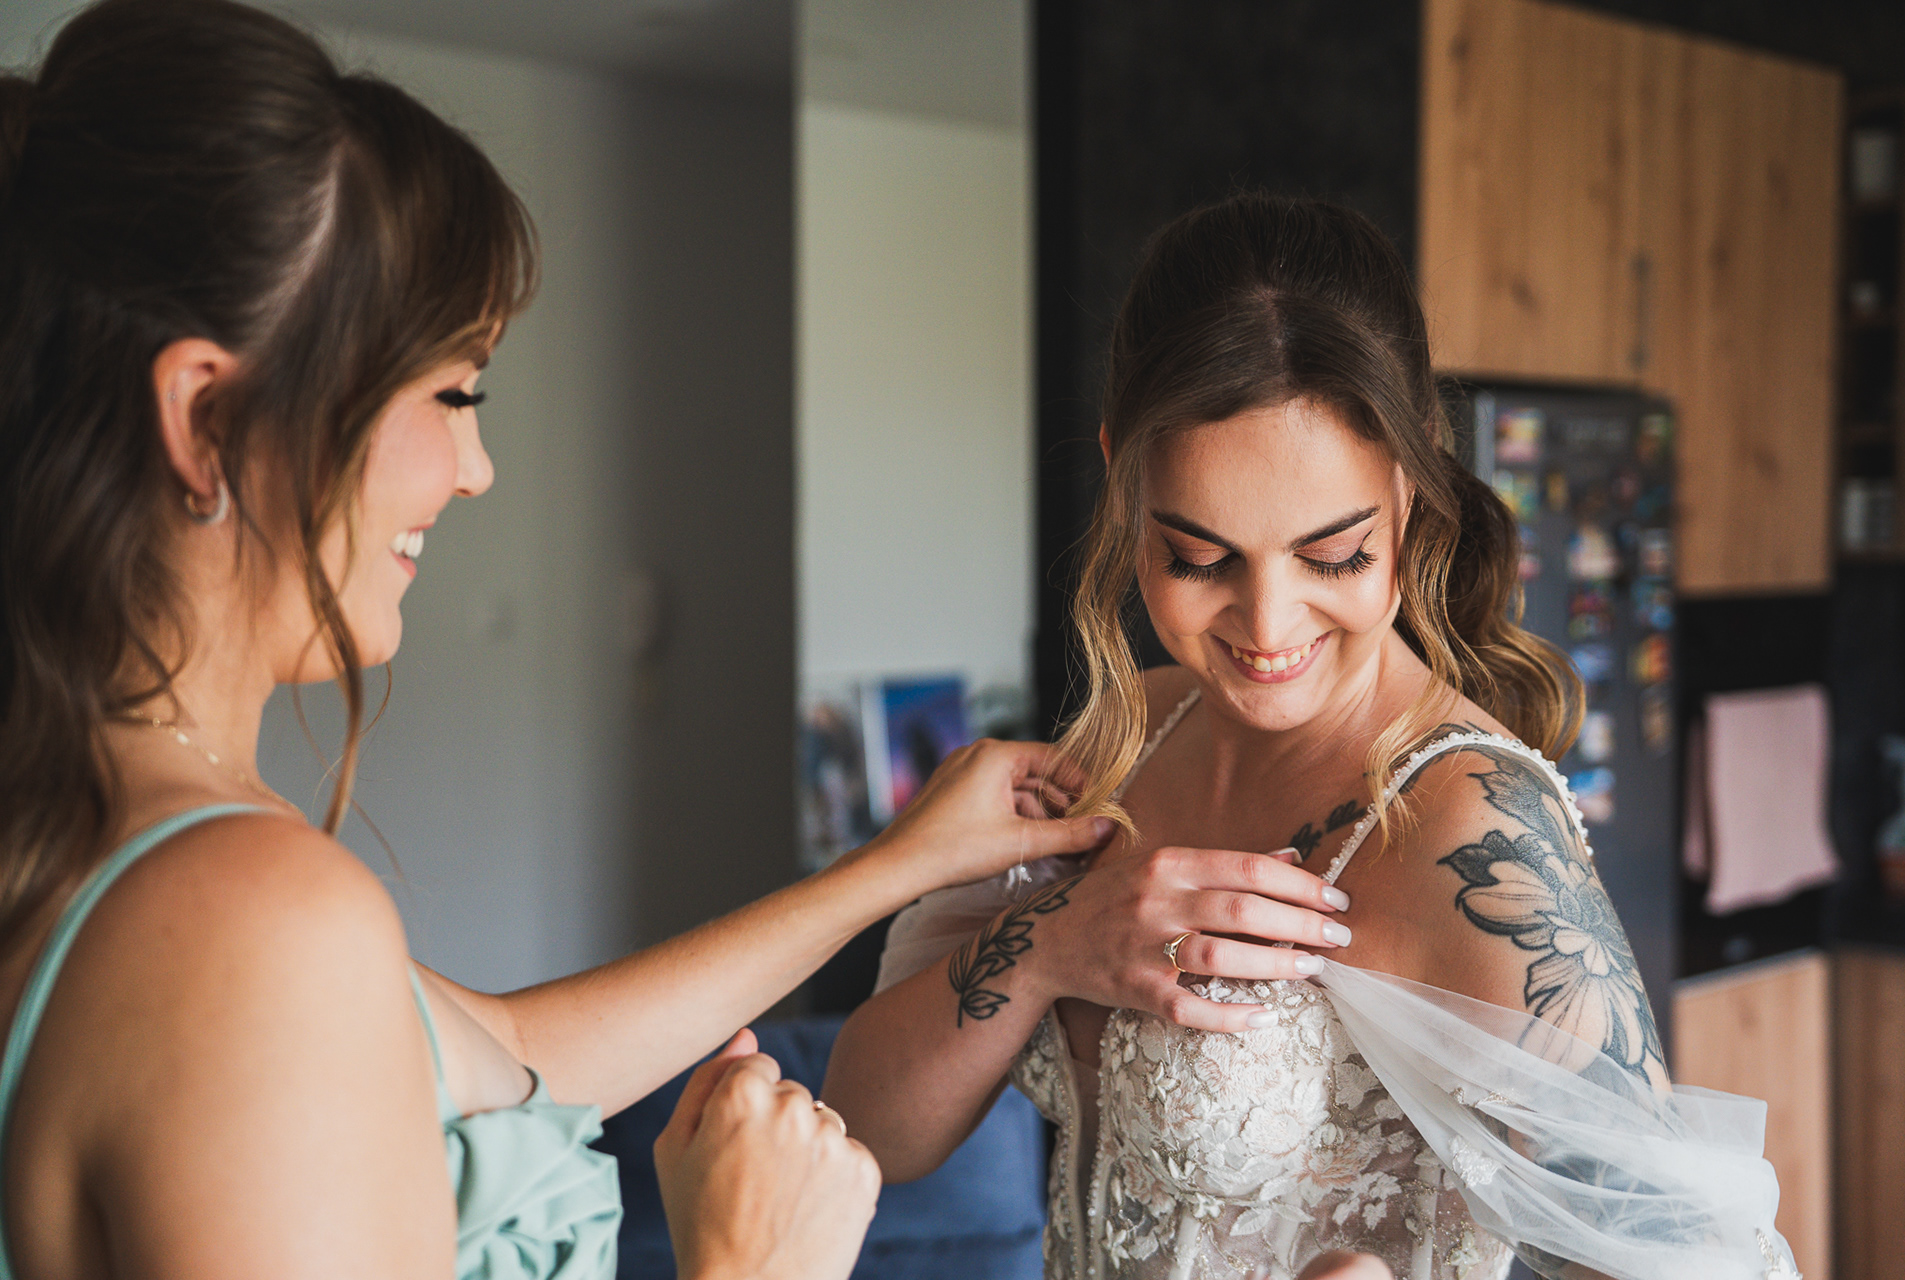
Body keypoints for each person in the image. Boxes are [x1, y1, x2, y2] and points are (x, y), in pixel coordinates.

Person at [0, 3, 1327, 1277]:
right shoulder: (247, 920)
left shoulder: (102, 835)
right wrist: (751, 1257)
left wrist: (894, 867)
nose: (474, 466)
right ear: (207, 421)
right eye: (451, 392)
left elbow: (510, 1048)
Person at [825, 195, 1800, 1280]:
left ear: (1413, 482)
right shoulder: (1135, 731)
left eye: (1333, 556)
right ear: (1121, 476)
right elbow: (869, 1128)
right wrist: (1056, 938)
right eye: (1199, 557)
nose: (1267, 625)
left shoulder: (1466, 831)